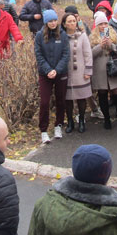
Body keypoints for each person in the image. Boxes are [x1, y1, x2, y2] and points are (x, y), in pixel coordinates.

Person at [90, 11, 117, 133]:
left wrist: (111, 45)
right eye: (100, 24)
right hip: (100, 70)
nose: (103, 26)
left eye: (105, 23)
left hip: (114, 68)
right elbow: (89, 55)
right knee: (102, 94)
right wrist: (100, 46)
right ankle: (107, 119)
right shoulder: (92, 37)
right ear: (97, 26)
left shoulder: (113, 33)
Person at [35, 10, 69, 143]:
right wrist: (48, 70)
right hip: (45, 73)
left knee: (61, 100)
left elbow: (66, 54)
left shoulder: (63, 35)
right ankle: (43, 130)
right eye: (50, 21)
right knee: (44, 102)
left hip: (60, 72)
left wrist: (57, 69)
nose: (53, 23)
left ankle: (58, 125)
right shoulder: (39, 36)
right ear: (45, 22)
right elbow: (39, 55)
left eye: (55, 20)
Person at [62, 12, 93, 133]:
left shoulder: (83, 36)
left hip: (80, 72)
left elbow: (88, 54)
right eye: (68, 21)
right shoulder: (61, 37)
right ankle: (70, 121)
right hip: (66, 72)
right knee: (68, 99)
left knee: (81, 98)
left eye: (73, 21)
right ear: (64, 24)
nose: (71, 23)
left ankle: (81, 120)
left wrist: (88, 71)